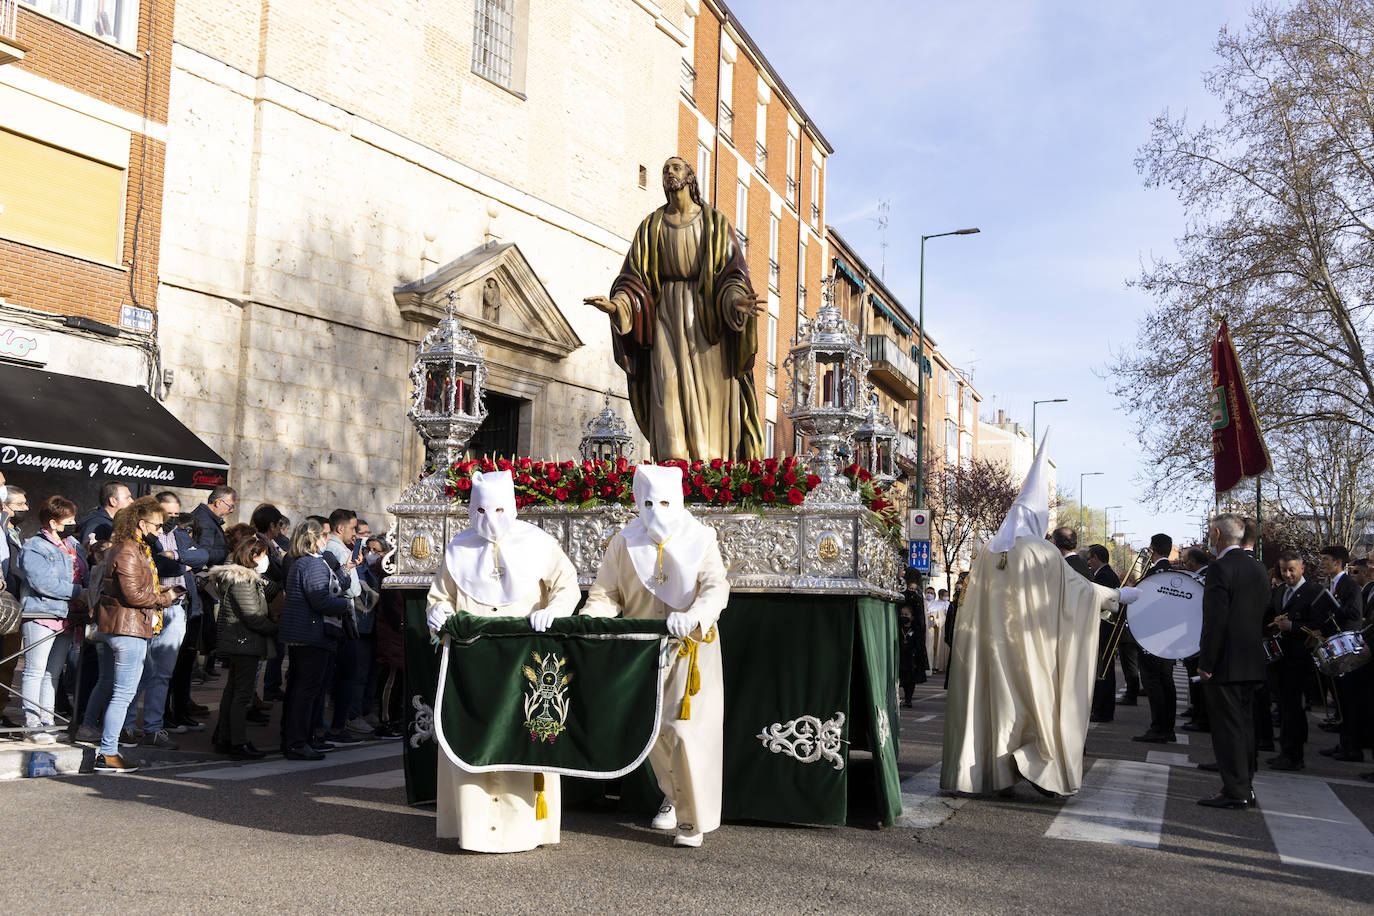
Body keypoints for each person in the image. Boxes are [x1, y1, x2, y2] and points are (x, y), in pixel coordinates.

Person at [942, 433, 1136, 796]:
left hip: (988, 647)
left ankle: (994, 773)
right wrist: (1117, 594)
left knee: (992, 708)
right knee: (1036, 707)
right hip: (1029, 647)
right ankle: (1040, 767)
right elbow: (1075, 591)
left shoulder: (987, 550)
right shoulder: (1042, 551)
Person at [423, 470, 579, 852]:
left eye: (497, 509)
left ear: (512, 506)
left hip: (524, 659)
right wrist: (437, 615)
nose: (489, 520)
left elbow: (567, 584)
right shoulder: (458, 548)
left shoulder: (539, 542)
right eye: (479, 511)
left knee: (522, 734)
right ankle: (474, 829)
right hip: (471, 660)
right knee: (472, 733)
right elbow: (440, 596)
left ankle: (526, 827)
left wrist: (554, 611)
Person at [582, 464, 730, 847]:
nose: (657, 511)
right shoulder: (623, 542)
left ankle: (691, 820)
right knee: (653, 734)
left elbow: (716, 586)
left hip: (690, 650)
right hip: (641, 651)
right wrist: (591, 622)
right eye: (648, 503)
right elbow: (605, 594)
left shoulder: (701, 537)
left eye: (666, 502)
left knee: (682, 731)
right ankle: (674, 794)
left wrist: (695, 614)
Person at [585, 156, 763, 461]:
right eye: (665, 168)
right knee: (666, 386)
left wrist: (735, 301)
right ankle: (673, 467)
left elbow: (730, 273)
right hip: (664, 316)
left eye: (675, 168)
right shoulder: (652, 225)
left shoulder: (715, 223)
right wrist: (618, 307)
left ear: (690, 177)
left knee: (710, 396)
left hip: (707, 317)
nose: (669, 172)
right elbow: (633, 278)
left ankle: (710, 467)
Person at [88, 497, 179, 773]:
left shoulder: (136, 548)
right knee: (123, 693)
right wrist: (166, 597)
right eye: (158, 525)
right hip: (126, 628)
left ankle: (108, 732)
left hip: (131, 626)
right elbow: (133, 595)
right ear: (141, 524)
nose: (161, 531)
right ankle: (107, 752)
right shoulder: (127, 550)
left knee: (146, 674)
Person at [1195, 514, 1269, 808]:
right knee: (1245, 725)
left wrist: (1206, 662)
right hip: (1251, 658)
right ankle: (1245, 784)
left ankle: (1235, 790)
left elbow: (1216, 620)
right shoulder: (1258, 566)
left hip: (1225, 661)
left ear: (1216, 534)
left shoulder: (1220, 568)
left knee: (1228, 729)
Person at [278, 519, 353, 760]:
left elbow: (332, 585)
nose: (328, 539)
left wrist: (345, 571)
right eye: (325, 535)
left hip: (305, 635)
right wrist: (346, 604)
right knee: (306, 691)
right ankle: (298, 741)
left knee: (300, 689)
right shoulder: (312, 564)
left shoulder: (305, 563)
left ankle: (299, 738)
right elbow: (320, 599)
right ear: (314, 538)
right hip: (312, 634)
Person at [17, 495, 87, 743]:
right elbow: (42, 582)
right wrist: (79, 593)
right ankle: (31, 722)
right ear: (53, 522)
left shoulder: (74, 544)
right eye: (68, 519)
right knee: (35, 670)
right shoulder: (35, 546)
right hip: (42, 612)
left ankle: (47, 718)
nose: (73, 523)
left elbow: (83, 573)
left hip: (68, 615)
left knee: (53, 672)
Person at [209, 537, 278, 759]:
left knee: (233, 691)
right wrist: (274, 628)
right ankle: (237, 742)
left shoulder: (245, 579)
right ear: (253, 556)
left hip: (241, 641)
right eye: (264, 554)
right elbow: (252, 616)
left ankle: (225, 736)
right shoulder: (243, 580)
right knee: (241, 694)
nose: (266, 559)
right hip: (244, 642)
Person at [1264, 549, 1322, 771]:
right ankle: (1286, 752)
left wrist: (1294, 627)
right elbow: (1269, 615)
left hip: (1299, 658)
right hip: (1280, 657)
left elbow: (1319, 626)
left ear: (1302, 569)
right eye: (1284, 570)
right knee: (1284, 706)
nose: (1288, 575)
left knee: (1293, 708)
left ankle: (1294, 755)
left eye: (1292, 570)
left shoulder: (1314, 592)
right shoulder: (1280, 592)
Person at [1317, 544, 1366, 763]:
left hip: (1347, 649)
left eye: (1326, 559)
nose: (1322, 563)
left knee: (1348, 699)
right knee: (1340, 699)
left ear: (1338, 562)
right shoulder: (1333, 583)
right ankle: (1344, 743)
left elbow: (1355, 614)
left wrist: (1333, 606)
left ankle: (1352, 747)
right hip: (1335, 647)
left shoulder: (1349, 585)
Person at [1133, 533, 1178, 745]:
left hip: (1152, 637)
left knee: (1153, 682)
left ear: (1153, 548)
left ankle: (1159, 727)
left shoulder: (1154, 573)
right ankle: (1167, 728)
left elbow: (1144, 604)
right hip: (1168, 638)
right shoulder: (1172, 572)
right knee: (1166, 682)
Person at [192, 485, 237, 678]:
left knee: (207, 624)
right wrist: (227, 554)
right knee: (203, 625)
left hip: (207, 583)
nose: (231, 510)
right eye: (230, 505)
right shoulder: (205, 521)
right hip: (203, 582)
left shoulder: (209, 520)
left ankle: (203, 668)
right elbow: (204, 553)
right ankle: (198, 669)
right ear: (218, 502)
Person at [0, 483, 29, 725]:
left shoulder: (16, 533)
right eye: (20, 504)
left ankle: (0, 709)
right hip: (3, 604)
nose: (25, 508)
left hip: (13, 608)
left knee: (8, 663)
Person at [1179, 546, 1214, 733]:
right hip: (1197, 635)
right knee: (1195, 678)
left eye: (1185, 562)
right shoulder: (1206, 575)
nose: (1185, 565)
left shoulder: (1202, 578)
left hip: (1198, 636)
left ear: (1192, 562)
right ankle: (1197, 712)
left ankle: (1201, 717)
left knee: (1199, 679)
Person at [1086, 544, 1121, 723]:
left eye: (1090, 558)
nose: (1089, 562)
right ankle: (1101, 708)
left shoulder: (1104, 576)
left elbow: (1102, 602)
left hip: (1104, 628)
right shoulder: (1105, 574)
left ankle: (1103, 710)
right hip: (1105, 627)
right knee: (1103, 670)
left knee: (1104, 671)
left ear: (1097, 558)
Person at [77, 481, 132, 546]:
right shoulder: (95, 524)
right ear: (113, 501)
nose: (132, 501)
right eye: (127, 498)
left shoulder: (112, 522)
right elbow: (87, 552)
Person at [897, 603, 924, 707]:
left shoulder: (915, 629)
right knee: (902, 679)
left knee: (910, 680)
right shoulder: (898, 627)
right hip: (900, 656)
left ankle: (908, 699)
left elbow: (919, 644)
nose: (904, 617)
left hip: (911, 658)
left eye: (906, 615)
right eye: (902, 614)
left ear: (912, 617)